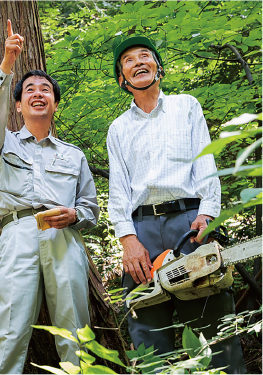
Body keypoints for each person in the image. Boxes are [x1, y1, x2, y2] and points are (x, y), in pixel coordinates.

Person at [107, 35, 246, 374]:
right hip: (141, 234)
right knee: (148, 328)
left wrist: (208, 214)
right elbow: (118, 190)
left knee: (213, 321)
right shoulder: (118, 128)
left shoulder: (186, 106)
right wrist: (127, 240)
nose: (138, 62)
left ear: (159, 68)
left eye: (145, 56)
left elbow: (206, 163)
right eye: (128, 60)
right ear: (122, 79)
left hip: (190, 221)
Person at [0, 20, 99, 375]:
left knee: (75, 328)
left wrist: (75, 216)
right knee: (10, 328)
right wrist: (7, 63)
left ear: (54, 104)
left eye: (46, 89)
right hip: (18, 234)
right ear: (18, 105)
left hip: (64, 238)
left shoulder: (74, 155)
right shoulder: (3, 141)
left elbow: (91, 209)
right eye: (29, 90)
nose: (38, 94)